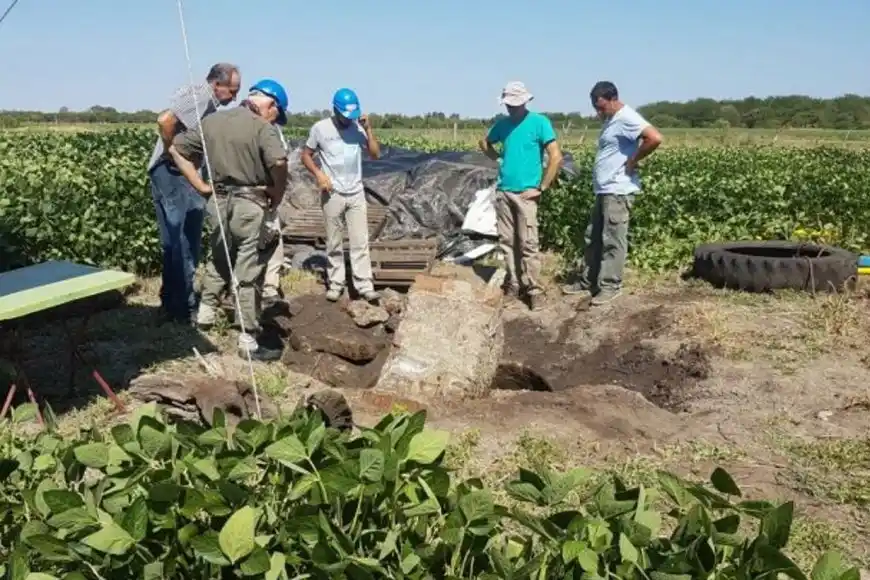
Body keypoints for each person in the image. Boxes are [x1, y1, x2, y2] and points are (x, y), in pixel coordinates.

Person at [168, 79, 290, 361]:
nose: (274, 119)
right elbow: (279, 162)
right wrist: (278, 191)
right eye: (276, 113)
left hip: (217, 202)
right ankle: (247, 337)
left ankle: (204, 318)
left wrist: (199, 184)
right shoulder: (262, 127)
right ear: (271, 105)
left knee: (220, 256)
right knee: (249, 269)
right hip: (250, 203)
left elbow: (175, 149)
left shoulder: (212, 121)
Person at [147, 63, 241, 326]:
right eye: (232, 91)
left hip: (173, 173)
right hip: (173, 174)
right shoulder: (202, 96)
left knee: (175, 241)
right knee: (184, 241)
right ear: (217, 84)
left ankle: (172, 302)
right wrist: (173, 153)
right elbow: (165, 120)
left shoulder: (202, 97)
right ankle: (184, 307)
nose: (234, 98)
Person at [561, 81, 663, 305]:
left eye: (601, 107)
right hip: (605, 189)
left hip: (618, 189)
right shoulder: (611, 120)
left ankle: (610, 286)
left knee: (612, 239)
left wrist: (633, 160)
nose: (599, 112)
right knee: (594, 237)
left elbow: (654, 138)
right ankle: (589, 280)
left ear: (614, 99)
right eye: (596, 108)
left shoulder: (627, 117)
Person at [480, 81, 563, 311]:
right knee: (507, 241)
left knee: (528, 242)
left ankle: (534, 289)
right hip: (504, 190)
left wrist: (542, 186)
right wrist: (498, 159)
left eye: (514, 104)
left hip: (527, 192)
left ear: (525, 102)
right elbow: (485, 142)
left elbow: (555, 156)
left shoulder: (539, 123)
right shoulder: (502, 125)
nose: (511, 108)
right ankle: (514, 284)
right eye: (508, 104)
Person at [300, 88, 381, 303]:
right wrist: (319, 174)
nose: (348, 120)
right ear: (335, 110)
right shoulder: (320, 129)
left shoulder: (358, 128)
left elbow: (375, 154)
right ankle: (336, 283)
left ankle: (364, 285)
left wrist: (368, 129)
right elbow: (306, 155)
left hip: (356, 193)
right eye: (345, 116)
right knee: (334, 241)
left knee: (360, 241)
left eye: (352, 116)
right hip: (332, 193)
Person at [261, 110, 290, 306]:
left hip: (270, 195)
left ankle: (269, 287)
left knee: (274, 242)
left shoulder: (275, 131)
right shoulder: (252, 130)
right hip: (254, 194)